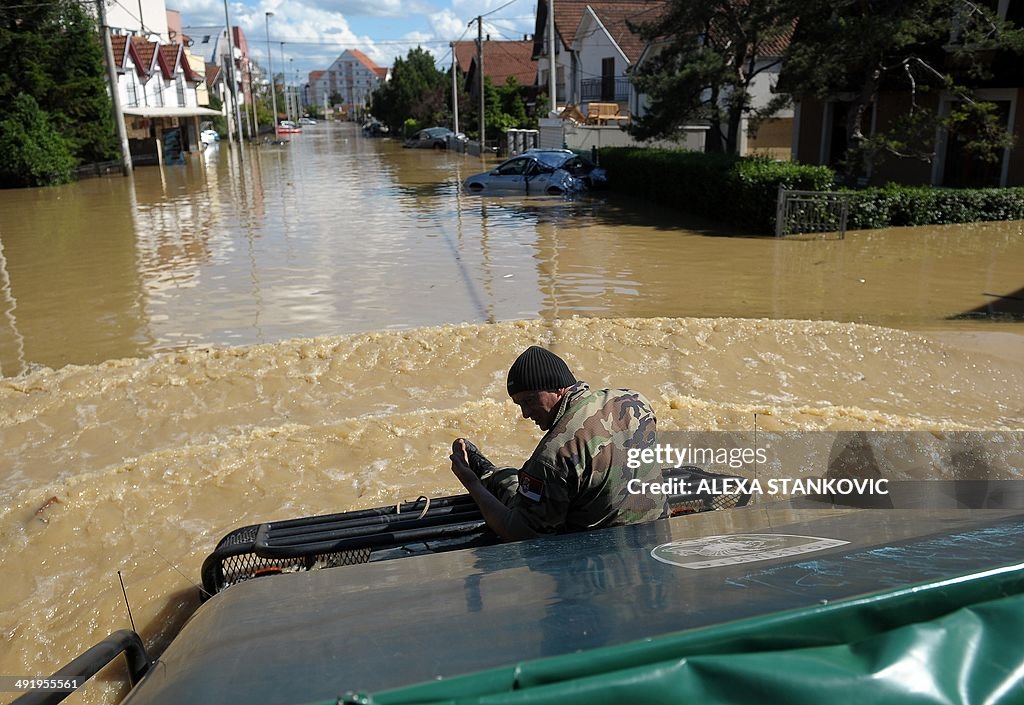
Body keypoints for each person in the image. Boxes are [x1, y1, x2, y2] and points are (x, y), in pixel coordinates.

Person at [450, 345, 668, 541]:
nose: (525, 413)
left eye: (530, 400)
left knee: (517, 491)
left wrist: (471, 483)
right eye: (519, 404)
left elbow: (519, 532)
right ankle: (493, 474)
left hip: (602, 562)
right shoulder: (635, 400)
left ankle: (486, 474)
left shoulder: (553, 455)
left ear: (558, 388)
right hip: (658, 536)